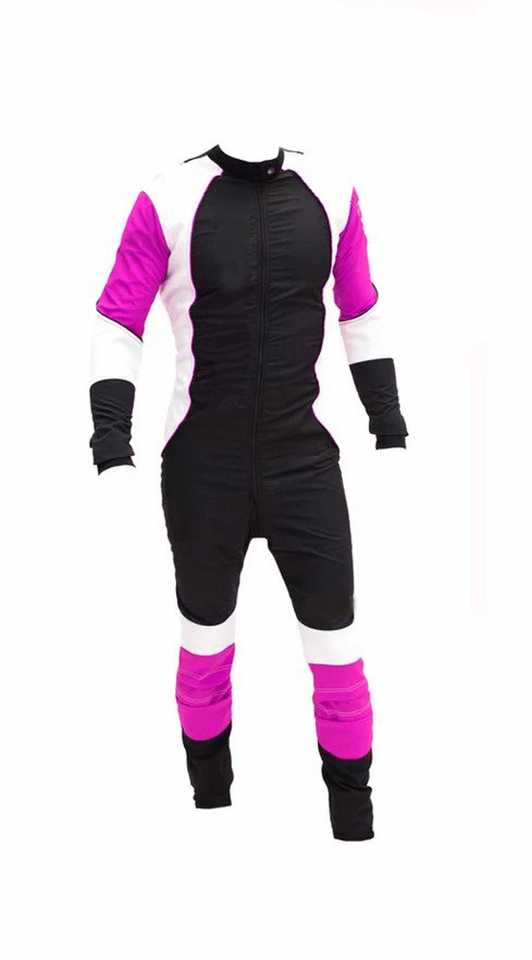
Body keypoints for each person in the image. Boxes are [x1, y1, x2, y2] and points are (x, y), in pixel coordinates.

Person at [89, 143, 408, 840]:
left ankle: (354, 828)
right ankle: (211, 814)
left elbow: (360, 312)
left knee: (338, 652)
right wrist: (111, 443)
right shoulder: (169, 196)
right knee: (205, 646)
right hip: (203, 467)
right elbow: (119, 319)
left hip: (305, 463)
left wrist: (390, 428)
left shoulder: (332, 189)